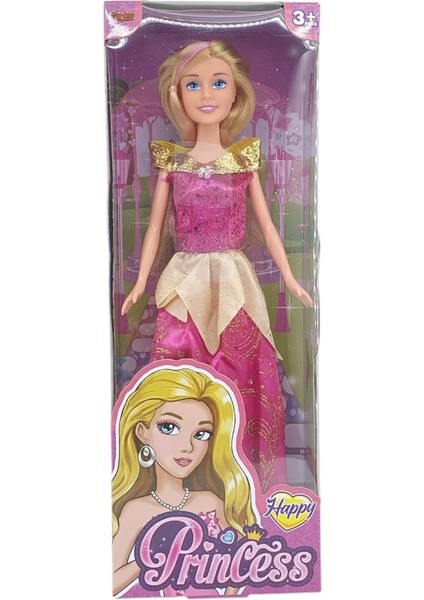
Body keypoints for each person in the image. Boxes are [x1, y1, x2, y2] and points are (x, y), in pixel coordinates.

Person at [121, 40, 313, 491]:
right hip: (183, 277)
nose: (206, 94)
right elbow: (155, 228)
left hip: (233, 278)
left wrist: (290, 277)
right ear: (177, 94)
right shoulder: (173, 162)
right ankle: (178, 478)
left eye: (218, 83)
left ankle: (247, 473)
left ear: (235, 92)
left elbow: (268, 226)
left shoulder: (242, 161)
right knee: (181, 363)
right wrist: (141, 282)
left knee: (241, 363)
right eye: (193, 84)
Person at [112, 365, 257, 596]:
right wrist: (147, 557)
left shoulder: (210, 502)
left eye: (202, 434)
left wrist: (230, 595)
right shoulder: (137, 510)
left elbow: (242, 557)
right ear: (142, 432)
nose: (187, 447)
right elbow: (110, 583)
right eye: (169, 427)